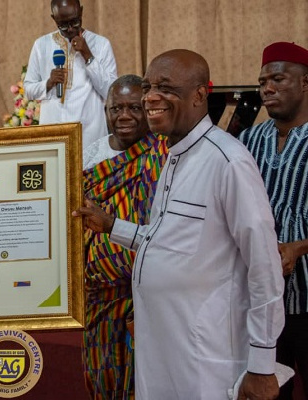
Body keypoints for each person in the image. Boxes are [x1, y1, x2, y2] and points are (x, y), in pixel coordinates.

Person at [73, 49, 285, 399]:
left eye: (166, 88)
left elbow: (264, 266)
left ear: (201, 94)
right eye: (149, 86)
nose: (151, 97)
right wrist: (112, 225)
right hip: (160, 351)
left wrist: (262, 365)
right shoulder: (172, 157)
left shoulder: (227, 161)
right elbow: (167, 242)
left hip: (206, 358)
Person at [80, 75, 168, 399]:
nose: (125, 116)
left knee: (148, 379)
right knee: (104, 373)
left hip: (153, 292)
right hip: (100, 295)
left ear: (147, 109)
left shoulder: (164, 152)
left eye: (134, 107)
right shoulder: (90, 157)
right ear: (106, 110)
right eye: (117, 108)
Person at [238, 41, 308, 400]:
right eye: (262, 81)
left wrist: (300, 246)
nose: (266, 88)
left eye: (278, 79)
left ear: (305, 83)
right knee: (266, 391)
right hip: (262, 301)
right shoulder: (248, 141)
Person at [23, 0, 117, 150]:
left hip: (89, 132)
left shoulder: (101, 44)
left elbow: (110, 92)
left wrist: (88, 55)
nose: (70, 29)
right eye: (63, 25)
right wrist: (48, 83)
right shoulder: (41, 45)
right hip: (53, 132)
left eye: (75, 22)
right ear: (54, 18)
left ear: (81, 12)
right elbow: (28, 91)